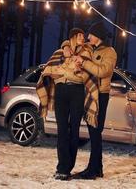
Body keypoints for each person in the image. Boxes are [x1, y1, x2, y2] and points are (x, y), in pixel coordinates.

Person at [62, 22, 117, 180]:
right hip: (86, 93)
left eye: (90, 35)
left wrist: (84, 62)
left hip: (100, 94)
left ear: (97, 35)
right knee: (93, 131)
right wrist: (66, 46)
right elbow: (70, 41)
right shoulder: (88, 47)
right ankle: (97, 168)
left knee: (95, 131)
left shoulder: (109, 51)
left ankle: (93, 169)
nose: (87, 37)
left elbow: (103, 71)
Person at [37, 28, 87, 181]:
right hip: (61, 92)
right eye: (80, 36)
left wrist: (66, 72)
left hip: (77, 92)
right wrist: (66, 71)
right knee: (62, 130)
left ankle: (68, 167)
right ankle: (62, 168)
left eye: (84, 36)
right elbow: (48, 70)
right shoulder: (59, 52)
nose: (83, 38)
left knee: (74, 130)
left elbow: (84, 76)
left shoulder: (85, 54)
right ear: (73, 37)